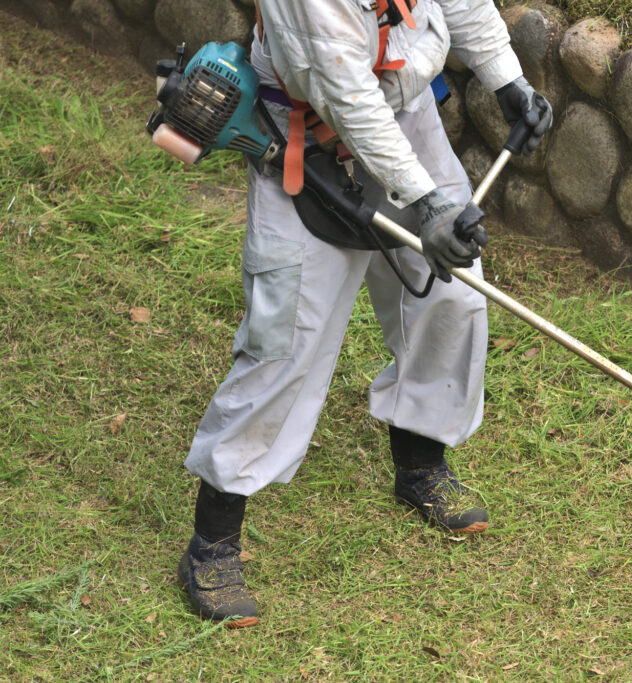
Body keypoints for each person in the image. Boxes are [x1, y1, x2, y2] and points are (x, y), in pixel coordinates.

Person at [176, 0, 552, 628]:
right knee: (286, 343)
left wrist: (507, 79)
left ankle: (419, 464)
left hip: (407, 118)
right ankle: (212, 541)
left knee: (453, 296)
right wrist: (427, 204)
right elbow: (348, 98)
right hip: (308, 133)